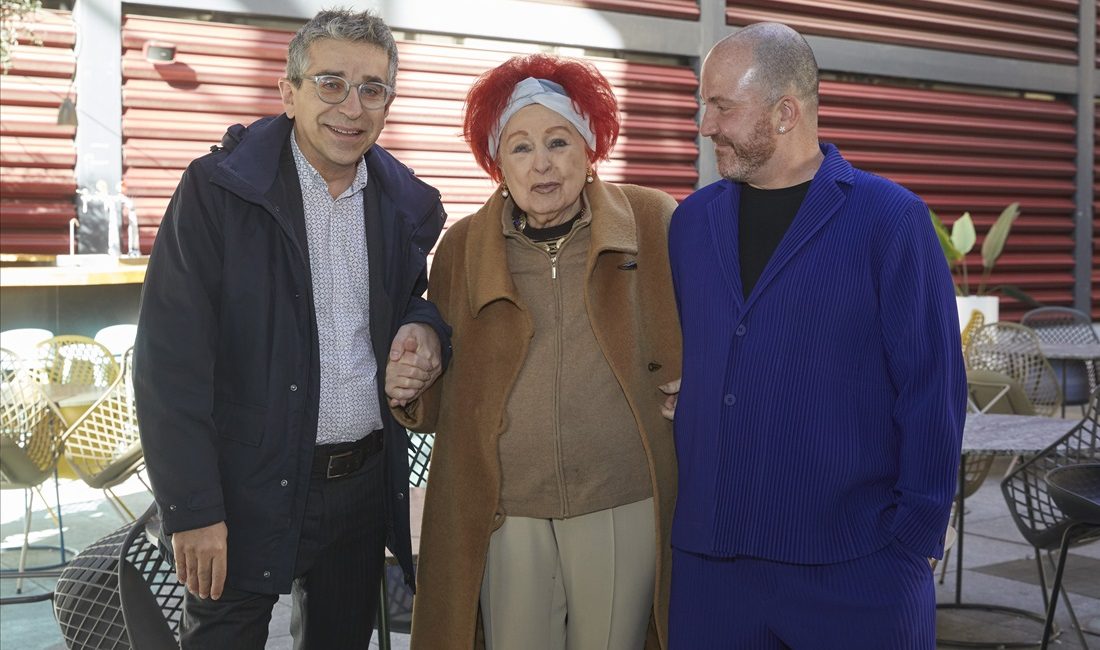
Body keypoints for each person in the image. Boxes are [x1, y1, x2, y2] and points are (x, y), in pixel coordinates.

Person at [132, 9, 450, 648]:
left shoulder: (401, 205)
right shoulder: (218, 193)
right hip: (245, 486)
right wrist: (192, 510)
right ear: (289, 92)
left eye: (371, 89)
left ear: (388, 101)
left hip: (360, 487)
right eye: (331, 83)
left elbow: (407, 302)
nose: (351, 107)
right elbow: (169, 362)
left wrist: (425, 332)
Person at [665, 23, 965, 649]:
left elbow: (933, 388)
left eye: (721, 106)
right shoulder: (690, 224)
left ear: (785, 112)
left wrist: (915, 540)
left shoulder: (892, 221)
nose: (704, 124)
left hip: (857, 567)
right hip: (712, 568)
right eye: (703, 104)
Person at [388, 53, 681, 649]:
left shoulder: (653, 221)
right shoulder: (462, 247)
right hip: (505, 507)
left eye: (558, 141)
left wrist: (699, 380)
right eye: (520, 147)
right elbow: (439, 380)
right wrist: (411, 382)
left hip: (619, 497)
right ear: (498, 162)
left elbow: (714, 324)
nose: (541, 163)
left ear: (589, 146)